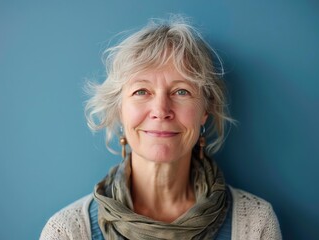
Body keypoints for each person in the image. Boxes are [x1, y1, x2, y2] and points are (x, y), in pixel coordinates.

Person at [40, 16, 282, 240]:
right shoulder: (69, 231)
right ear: (120, 110)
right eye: (141, 91)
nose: (161, 109)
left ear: (205, 111)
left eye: (181, 91)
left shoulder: (255, 223)